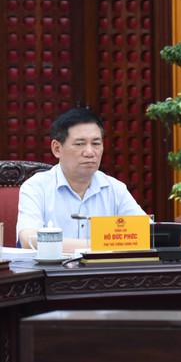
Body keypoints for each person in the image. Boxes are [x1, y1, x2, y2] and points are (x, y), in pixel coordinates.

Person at [17, 107, 147, 253]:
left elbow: (146, 234)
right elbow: (29, 240)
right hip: (53, 273)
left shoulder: (115, 188)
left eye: (96, 144)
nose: (90, 152)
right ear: (57, 149)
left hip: (103, 274)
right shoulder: (36, 187)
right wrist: (99, 245)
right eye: (79, 144)